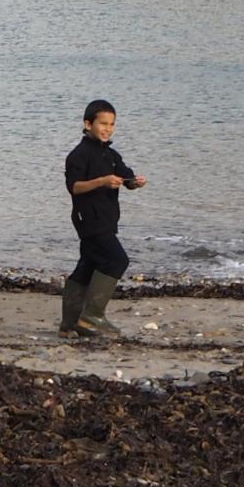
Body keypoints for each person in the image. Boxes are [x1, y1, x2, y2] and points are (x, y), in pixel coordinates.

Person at [59, 99, 147, 338]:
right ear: (88, 124)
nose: (108, 128)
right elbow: (74, 187)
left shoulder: (111, 155)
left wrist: (135, 183)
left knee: (87, 267)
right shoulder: (78, 155)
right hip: (88, 219)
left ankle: (69, 324)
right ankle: (91, 318)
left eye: (112, 124)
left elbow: (126, 179)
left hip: (107, 219)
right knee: (117, 261)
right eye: (103, 123)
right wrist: (102, 181)